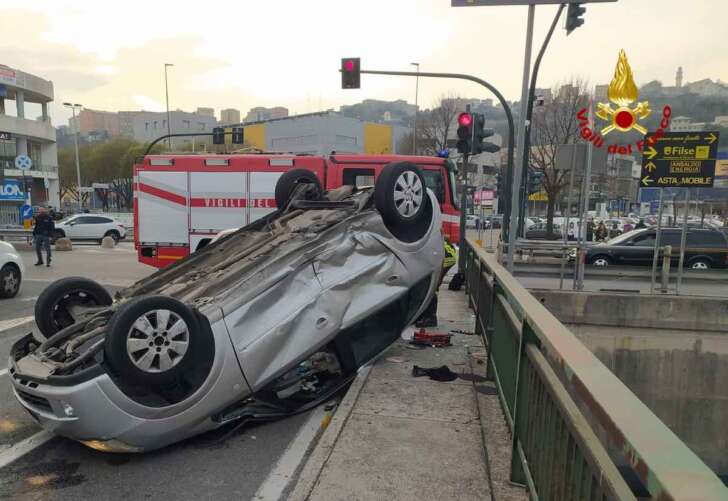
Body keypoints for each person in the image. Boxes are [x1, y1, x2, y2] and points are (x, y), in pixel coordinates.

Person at [415, 237, 458, 328]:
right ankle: (425, 316)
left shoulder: (427, 244)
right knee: (430, 285)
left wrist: (439, 279)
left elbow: (440, 260)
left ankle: (431, 318)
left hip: (445, 257)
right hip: (448, 255)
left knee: (431, 287)